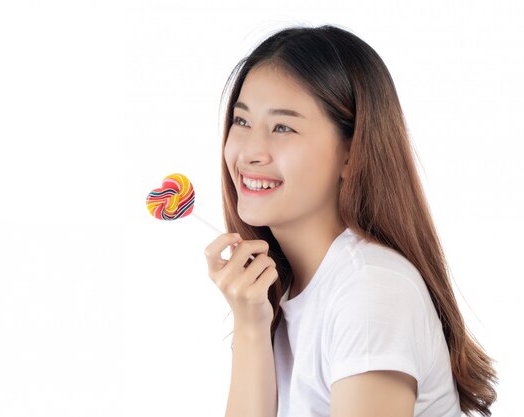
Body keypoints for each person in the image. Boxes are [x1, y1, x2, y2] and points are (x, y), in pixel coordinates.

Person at [203, 24, 498, 417]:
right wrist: (251, 326)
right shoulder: (284, 294)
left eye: (283, 127)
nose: (250, 151)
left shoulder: (370, 290)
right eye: (241, 122)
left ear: (350, 153)